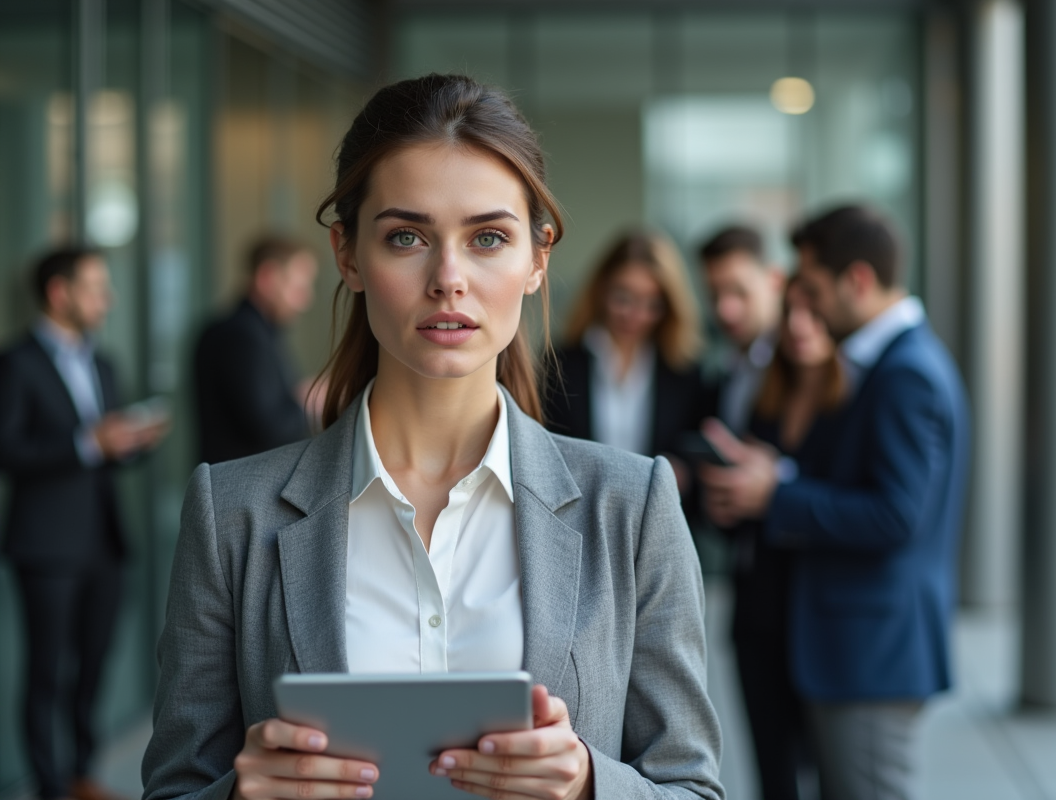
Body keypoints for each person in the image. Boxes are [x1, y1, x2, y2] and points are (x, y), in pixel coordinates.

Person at [142, 74, 723, 800]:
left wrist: (588, 784)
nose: (449, 279)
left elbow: (692, 788)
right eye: (406, 237)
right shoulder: (231, 513)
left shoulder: (632, 507)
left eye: (488, 238)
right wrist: (236, 795)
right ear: (348, 254)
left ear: (538, 260)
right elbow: (173, 787)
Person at [700, 205, 969, 800]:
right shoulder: (889, 365)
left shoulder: (904, 373)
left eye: (815, 290)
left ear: (860, 282)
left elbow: (896, 515)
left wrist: (778, 492)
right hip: (853, 648)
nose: (808, 309)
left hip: (870, 656)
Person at [0, 247, 167, 800]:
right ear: (59, 292)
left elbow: (106, 452)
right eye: (96, 286)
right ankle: (49, 787)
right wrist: (86, 443)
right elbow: (8, 450)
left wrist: (130, 441)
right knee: (46, 674)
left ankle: (81, 775)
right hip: (45, 544)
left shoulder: (104, 362)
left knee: (92, 668)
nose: (108, 298)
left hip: (103, 540)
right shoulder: (16, 363)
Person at [700, 275, 843, 800]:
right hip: (759, 606)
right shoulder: (768, 395)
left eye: (815, 312)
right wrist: (727, 494)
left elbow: (856, 503)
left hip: (820, 613)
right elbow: (740, 513)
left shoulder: (851, 397)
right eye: (791, 314)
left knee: (831, 773)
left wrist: (778, 482)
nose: (801, 327)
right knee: (774, 775)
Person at [543, 231, 705, 491]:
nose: (636, 315)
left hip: (655, 516)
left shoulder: (684, 370)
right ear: (602, 290)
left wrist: (684, 471)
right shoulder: (559, 363)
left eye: (652, 304)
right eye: (623, 298)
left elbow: (694, 455)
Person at [193, 235, 319, 464]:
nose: (305, 300)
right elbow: (267, 429)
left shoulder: (252, 331)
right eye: (299, 287)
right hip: (239, 490)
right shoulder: (241, 336)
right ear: (267, 278)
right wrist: (310, 401)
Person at [698, 225, 784, 435]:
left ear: (775, 280)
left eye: (739, 292)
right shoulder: (725, 365)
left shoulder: (805, 362)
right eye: (714, 295)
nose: (724, 310)